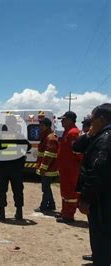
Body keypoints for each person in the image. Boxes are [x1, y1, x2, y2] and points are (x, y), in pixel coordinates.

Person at [73, 103, 111, 265]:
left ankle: (101, 259)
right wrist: (89, 135)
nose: (90, 123)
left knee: (100, 233)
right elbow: (76, 147)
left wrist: (86, 198)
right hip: (103, 193)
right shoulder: (99, 134)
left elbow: (97, 170)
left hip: (102, 197)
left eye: (92, 119)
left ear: (102, 118)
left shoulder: (106, 138)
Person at [0, 115, 31, 221]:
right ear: (15, 124)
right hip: (16, 168)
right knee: (18, 190)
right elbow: (28, 147)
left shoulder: (0, 136)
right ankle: (19, 213)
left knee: (2, 190)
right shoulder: (18, 135)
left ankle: (2, 214)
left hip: (2, 168)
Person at [56, 111, 82, 223]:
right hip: (65, 169)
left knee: (71, 192)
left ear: (70, 120)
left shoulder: (73, 133)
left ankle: (69, 215)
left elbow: (79, 153)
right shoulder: (68, 132)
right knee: (65, 192)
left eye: (64, 119)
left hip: (71, 169)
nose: (61, 121)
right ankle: (65, 212)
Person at [35, 118, 59, 213]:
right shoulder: (47, 136)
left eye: (42, 125)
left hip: (48, 168)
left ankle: (44, 206)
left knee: (45, 188)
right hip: (47, 167)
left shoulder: (50, 138)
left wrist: (43, 168)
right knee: (47, 187)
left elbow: (49, 155)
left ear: (47, 126)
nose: (40, 127)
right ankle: (51, 204)